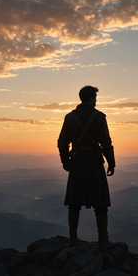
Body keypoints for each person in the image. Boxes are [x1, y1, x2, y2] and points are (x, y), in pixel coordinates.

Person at [57, 85, 116, 250]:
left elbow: (62, 142)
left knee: (74, 202)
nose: (96, 101)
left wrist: (65, 161)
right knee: (100, 202)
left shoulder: (70, 118)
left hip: (77, 162)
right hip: (94, 161)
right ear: (91, 98)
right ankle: (103, 240)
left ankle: (73, 239)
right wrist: (111, 162)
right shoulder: (99, 117)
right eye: (95, 97)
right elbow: (106, 142)